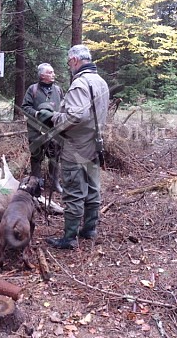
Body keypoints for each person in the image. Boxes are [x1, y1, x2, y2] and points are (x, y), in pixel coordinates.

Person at [43, 44, 109, 249]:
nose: (68, 65)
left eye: (69, 62)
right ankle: (89, 230)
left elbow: (75, 115)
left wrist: (52, 117)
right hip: (94, 144)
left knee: (73, 192)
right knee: (92, 189)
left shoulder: (81, 84)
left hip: (76, 147)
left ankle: (69, 238)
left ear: (74, 60)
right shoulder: (100, 81)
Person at [21, 63, 64, 193]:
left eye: (53, 72)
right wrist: (37, 114)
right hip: (36, 131)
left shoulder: (58, 90)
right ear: (42, 75)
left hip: (54, 130)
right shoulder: (32, 89)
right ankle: (37, 184)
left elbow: (63, 107)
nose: (53, 74)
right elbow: (25, 107)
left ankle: (55, 183)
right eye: (50, 72)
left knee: (55, 157)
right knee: (36, 157)